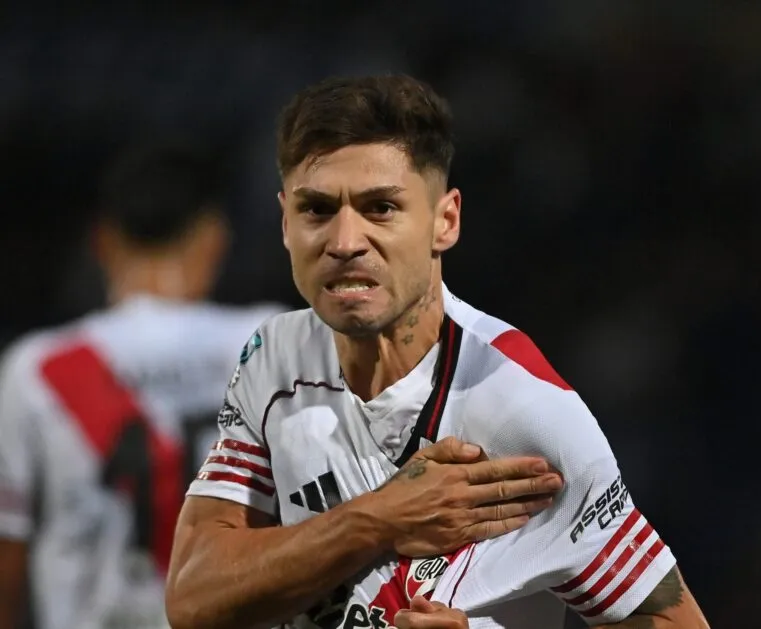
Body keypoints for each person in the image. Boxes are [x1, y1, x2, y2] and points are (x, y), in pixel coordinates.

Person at [165, 75, 710, 628]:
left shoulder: (525, 412)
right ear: (285, 223)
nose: (345, 242)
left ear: (444, 221)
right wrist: (375, 519)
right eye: (317, 210)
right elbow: (193, 600)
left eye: (381, 208)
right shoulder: (275, 357)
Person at [0, 140, 286, 629]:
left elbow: (8, 557)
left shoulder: (41, 370)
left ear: (101, 241)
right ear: (214, 239)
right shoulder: (270, 342)